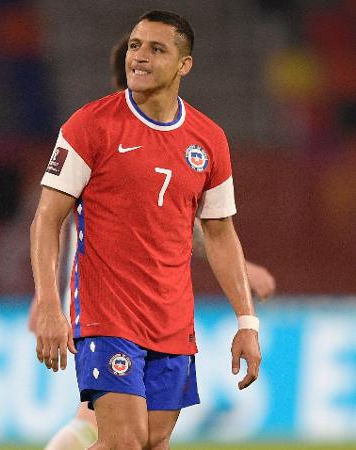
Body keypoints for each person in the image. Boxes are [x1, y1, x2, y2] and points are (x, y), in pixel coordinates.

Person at [31, 30, 275, 450]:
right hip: (106, 311)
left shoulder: (206, 140)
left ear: (184, 65)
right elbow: (53, 220)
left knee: (151, 443)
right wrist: (50, 300)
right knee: (119, 439)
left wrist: (246, 317)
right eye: (134, 48)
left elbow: (208, 230)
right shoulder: (92, 126)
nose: (140, 58)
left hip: (170, 318)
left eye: (155, 49)